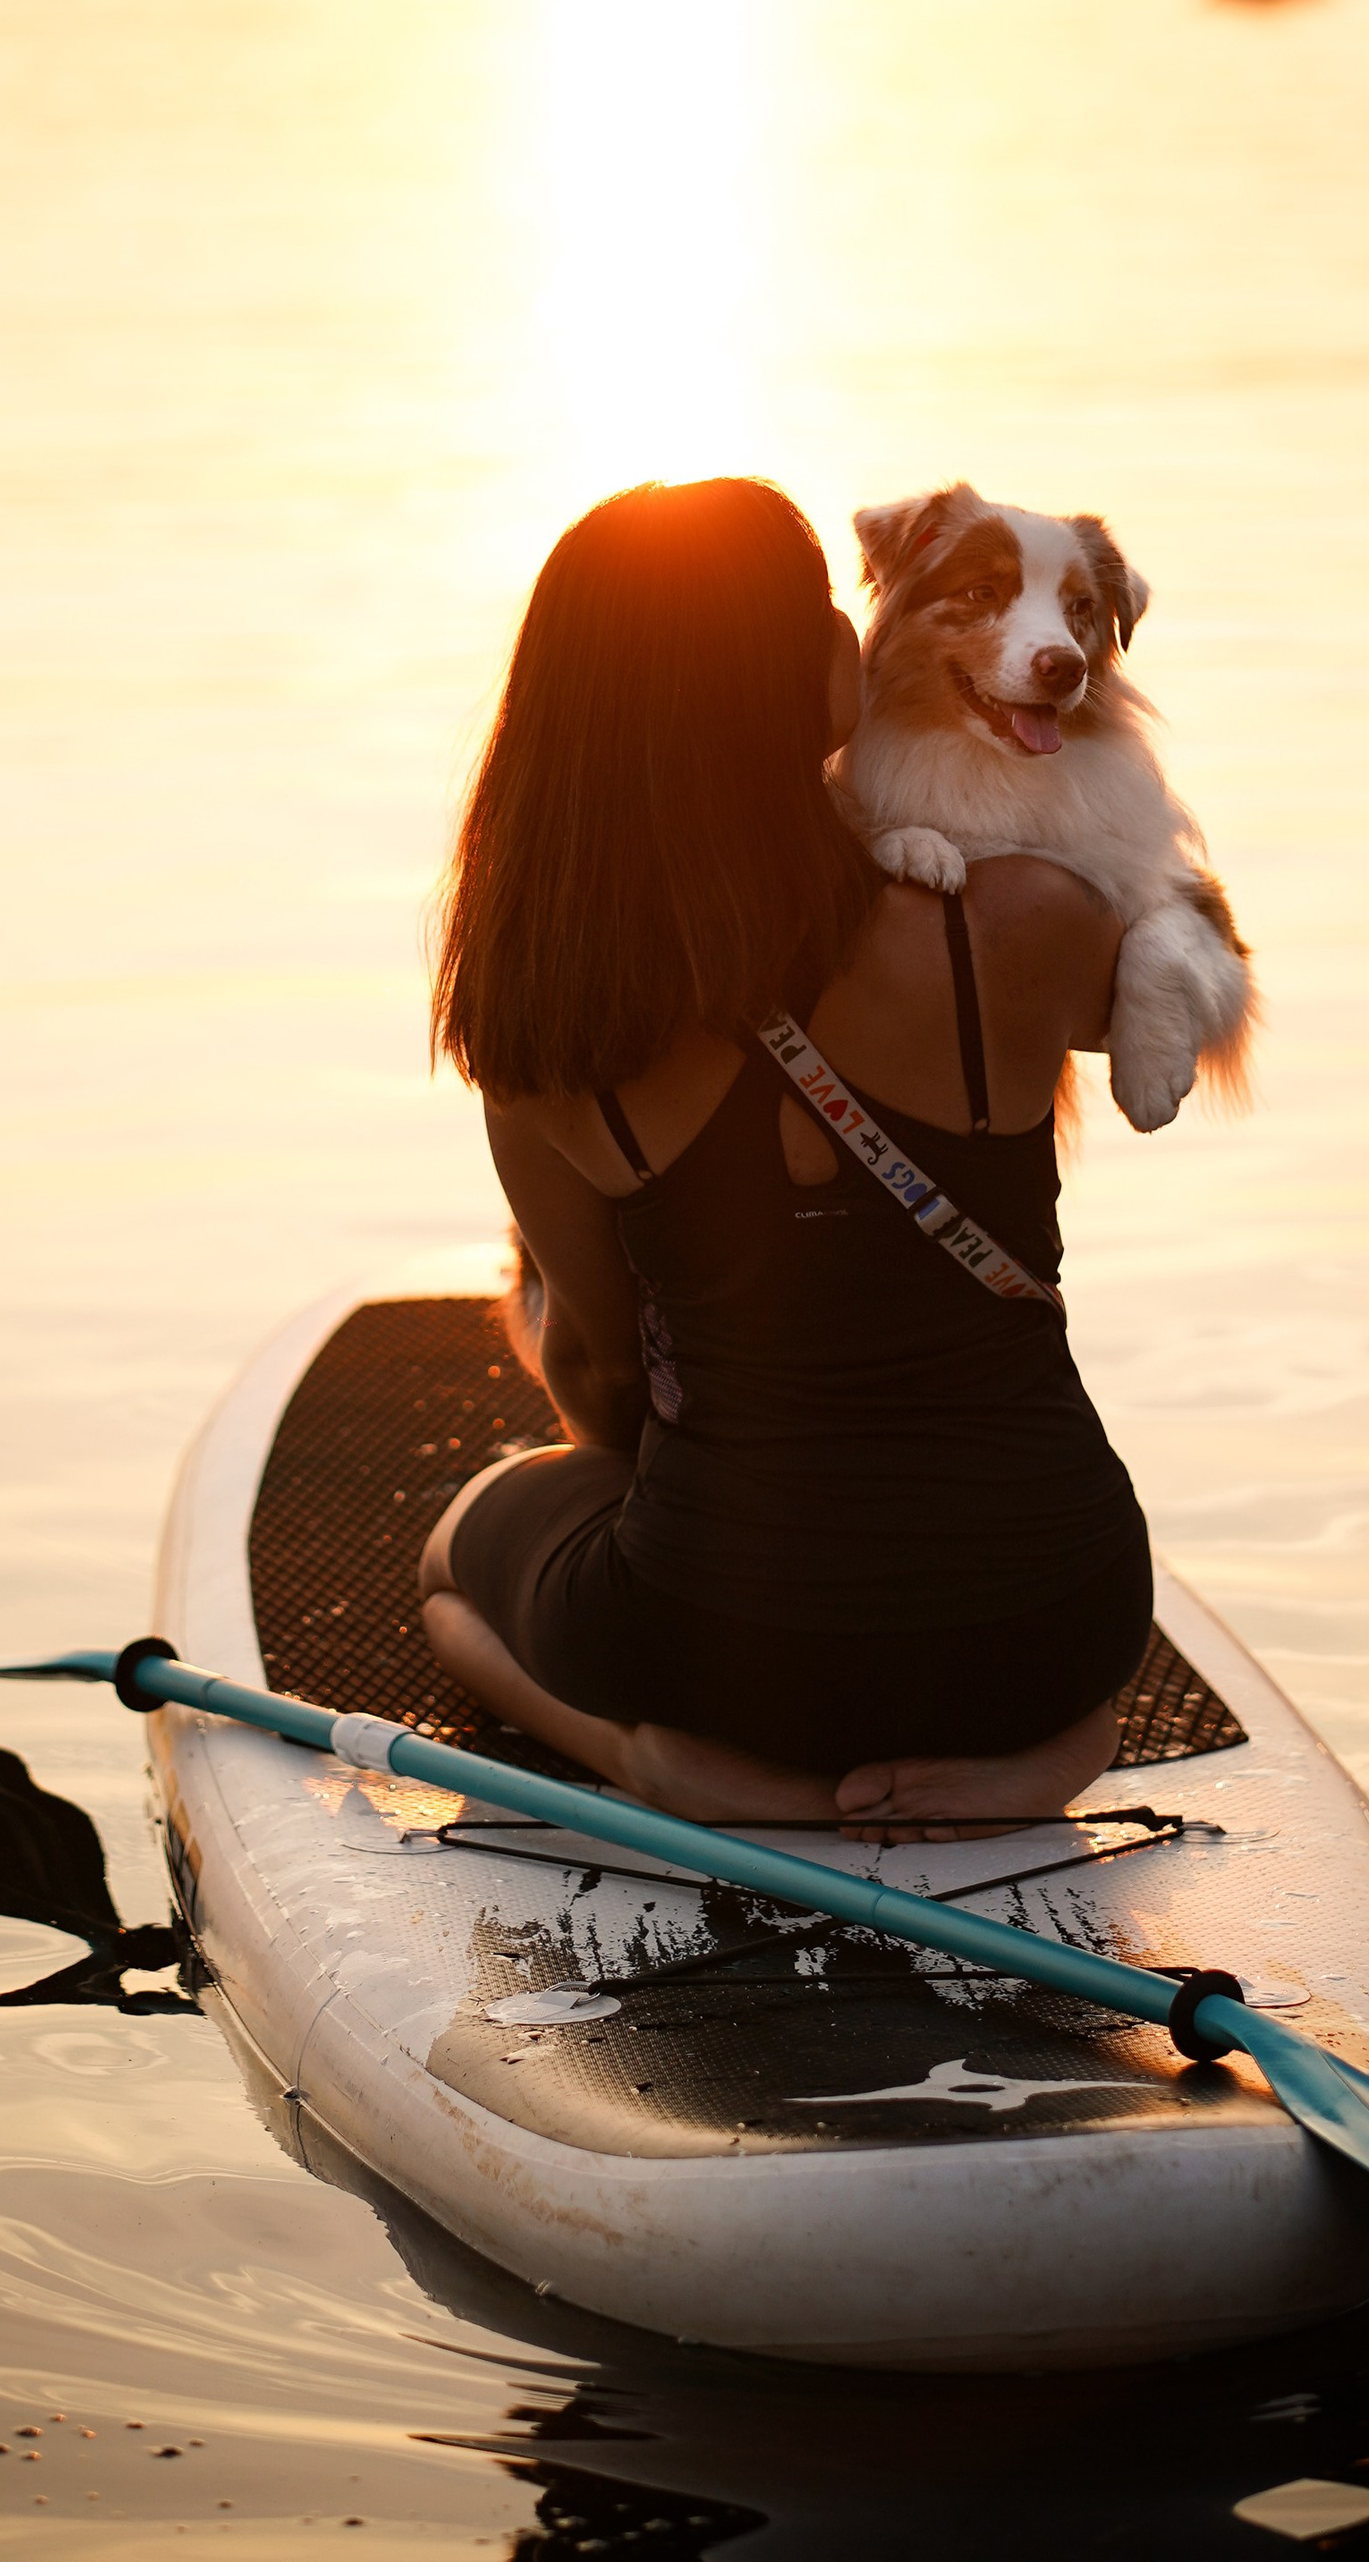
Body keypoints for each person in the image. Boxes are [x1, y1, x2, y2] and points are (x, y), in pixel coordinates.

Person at [422, 476, 1152, 1840]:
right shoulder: (1025, 919)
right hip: (1058, 1617)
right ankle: (1056, 1748)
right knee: (1013, 1596)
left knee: (459, 1560)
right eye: (822, 608)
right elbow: (1176, 941)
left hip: (732, 1656)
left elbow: (602, 1382)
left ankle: (659, 1767)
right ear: (787, 667)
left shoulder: (548, 1029)